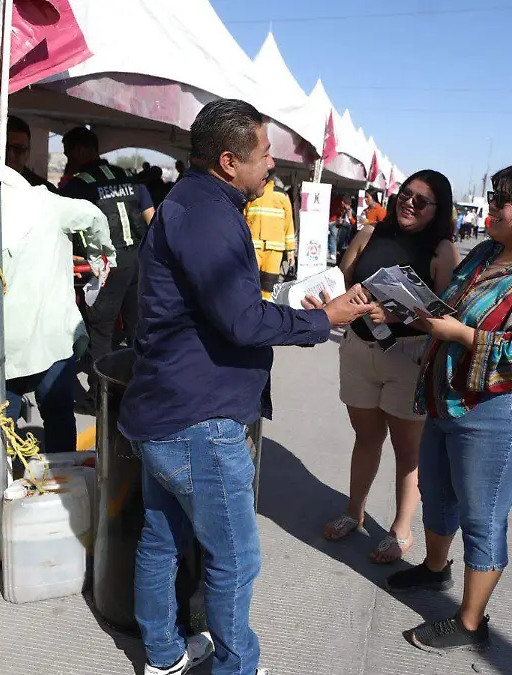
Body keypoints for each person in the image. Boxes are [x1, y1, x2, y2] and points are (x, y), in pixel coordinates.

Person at [119, 99, 373, 675]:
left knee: (162, 540)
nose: (271, 168)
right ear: (229, 161)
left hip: (167, 409)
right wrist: (323, 319)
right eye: (264, 157)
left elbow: (221, 308)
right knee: (233, 559)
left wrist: (286, 304)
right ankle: (237, 666)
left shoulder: (191, 201)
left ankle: (163, 653)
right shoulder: (209, 214)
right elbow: (238, 322)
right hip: (197, 419)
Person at [384, 164, 512, 654]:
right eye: (493, 196)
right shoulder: (484, 256)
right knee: (436, 489)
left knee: (483, 515)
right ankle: (435, 570)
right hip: (448, 399)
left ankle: (471, 621)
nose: (490, 206)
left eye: (502, 199)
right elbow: (451, 304)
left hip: (502, 414)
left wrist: (461, 335)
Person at [323, 170, 459, 564]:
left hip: (409, 358)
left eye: (421, 201)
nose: (409, 203)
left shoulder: (443, 251)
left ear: (438, 210)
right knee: (364, 437)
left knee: (407, 451)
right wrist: (330, 298)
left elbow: (443, 317)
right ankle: (355, 512)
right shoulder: (369, 233)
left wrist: (396, 314)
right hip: (358, 349)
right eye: (405, 194)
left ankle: (401, 529)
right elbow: (342, 278)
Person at [0, 161, 114, 453]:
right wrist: (100, 258)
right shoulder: (46, 202)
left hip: (0, 344)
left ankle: (2, 483)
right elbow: (94, 216)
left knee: (1, 424)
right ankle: (61, 479)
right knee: (58, 415)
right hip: (52, 339)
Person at [58, 126, 156, 412]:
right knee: (138, 325)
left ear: (79, 150)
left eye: (67, 153)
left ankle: (101, 395)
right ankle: (146, 386)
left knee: (101, 330)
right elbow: (152, 218)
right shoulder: (129, 177)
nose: (66, 159)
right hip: (138, 259)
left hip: (107, 264)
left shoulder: (78, 185)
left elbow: (66, 230)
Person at [243, 175, 296, 300]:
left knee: (267, 285)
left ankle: (265, 311)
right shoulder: (253, 193)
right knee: (251, 281)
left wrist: (290, 251)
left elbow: (288, 224)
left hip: (270, 248)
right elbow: (243, 218)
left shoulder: (280, 195)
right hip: (256, 245)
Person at [5, 115, 56, 192]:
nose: (11, 154)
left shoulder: (46, 191)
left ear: (28, 150)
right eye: (5, 147)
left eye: (18, 148)